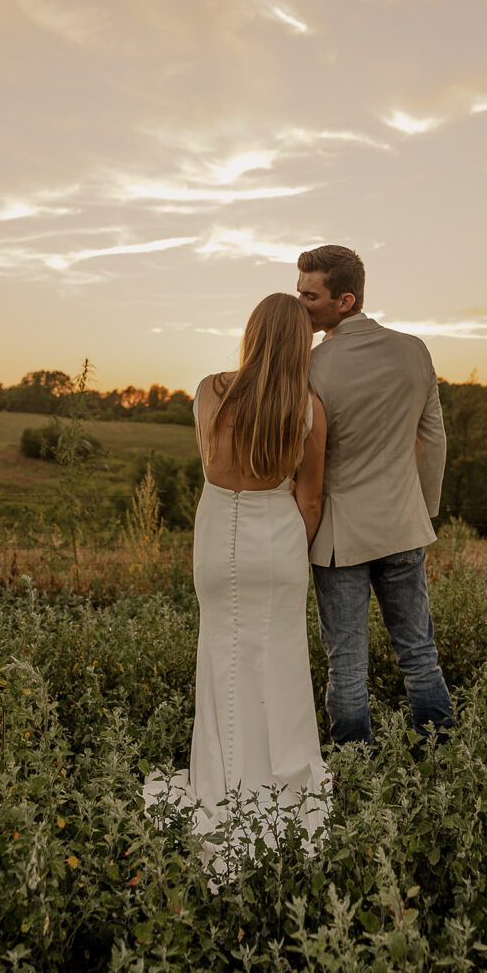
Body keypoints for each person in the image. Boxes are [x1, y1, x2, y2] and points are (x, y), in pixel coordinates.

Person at [143, 293, 330, 867]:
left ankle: (220, 782)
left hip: (215, 535)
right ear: (301, 344)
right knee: (277, 658)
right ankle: (280, 787)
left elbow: (209, 461)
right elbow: (310, 498)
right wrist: (288, 550)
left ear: (251, 334)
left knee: (220, 655)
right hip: (275, 539)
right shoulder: (308, 409)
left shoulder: (208, 391)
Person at [296, 245, 454, 748]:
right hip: (404, 525)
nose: (300, 304)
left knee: (346, 665)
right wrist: (421, 509)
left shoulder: (313, 366)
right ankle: (443, 760)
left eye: (309, 295)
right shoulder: (415, 350)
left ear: (344, 300)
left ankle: (353, 775)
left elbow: (307, 459)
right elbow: (433, 439)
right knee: (419, 653)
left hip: (341, 539)